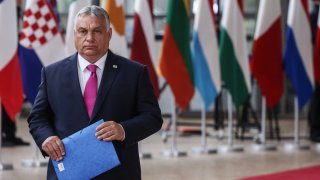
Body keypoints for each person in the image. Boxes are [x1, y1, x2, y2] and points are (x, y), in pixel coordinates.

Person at [28, 5, 163, 180]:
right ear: (74, 34)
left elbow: (153, 117)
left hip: (118, 173)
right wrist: (45, 138)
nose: (89, 38)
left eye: (97, 31)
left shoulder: (134, 72)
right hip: (67, 171)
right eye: (83, 31)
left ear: (109, 34)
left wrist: (123, 130)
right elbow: (37, 118)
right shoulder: (52, 73)